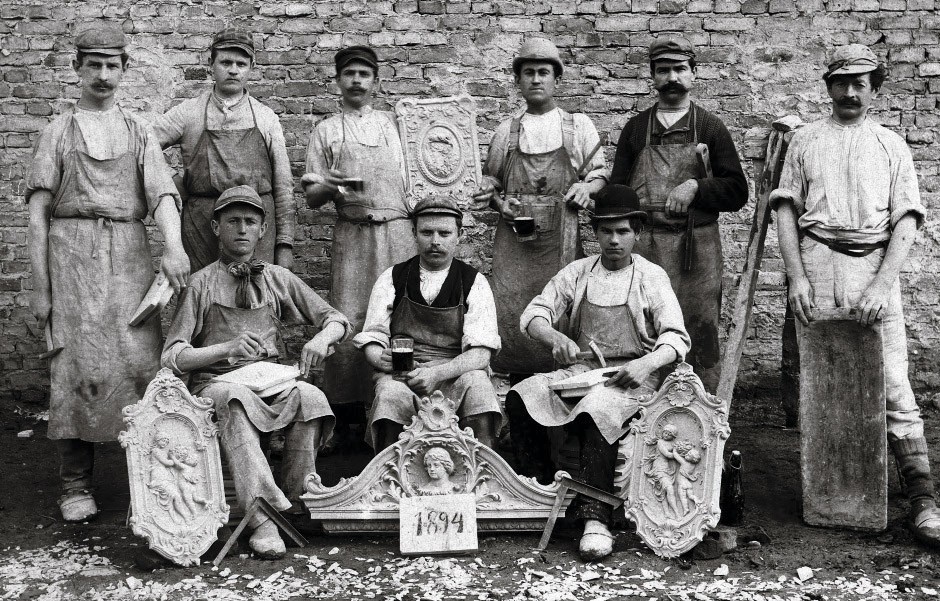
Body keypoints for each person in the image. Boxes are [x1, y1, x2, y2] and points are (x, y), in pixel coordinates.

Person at [771, 44, 940, 547]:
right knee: (823, 381)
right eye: (840, 83)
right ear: (828, 88)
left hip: (872, 267)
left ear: (874, 89)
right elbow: (786, 210)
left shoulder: (891, 144)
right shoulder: (805, 140)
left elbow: (906, 220)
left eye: (860, 83)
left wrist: (882, 285)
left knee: (893, 383)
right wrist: (798, 278)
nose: (849, 92)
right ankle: (834, 491)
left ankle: (923, 498)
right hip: (818, 262)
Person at [26, 22, 190, 523]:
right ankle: (75, 483)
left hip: (128, 259)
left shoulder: (138, 131)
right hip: (71, 259)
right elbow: (37, 216)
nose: (102, 74)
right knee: (75, 367)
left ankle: (150, 478)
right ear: (77, 68)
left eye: (111, 65)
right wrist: (41, 290)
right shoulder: (57, 132)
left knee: (140, 366)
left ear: (124, 69)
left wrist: (174, 247)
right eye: (93, 64)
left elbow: (162, 196)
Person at [162, 185, 351, 558]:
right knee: (233, 400)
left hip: (268, 382)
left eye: (250, 221)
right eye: (233, 221)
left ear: (263, 230)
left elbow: (336, 320)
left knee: (310, 396)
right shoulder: (201, 283)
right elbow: (172, 356)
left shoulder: (277, 278)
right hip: (215, 384)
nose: (242, 229)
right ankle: (263, 518)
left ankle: (298, 502)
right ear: (216, 228)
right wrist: (225, 349)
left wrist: (321, 339)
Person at [506, 185, 690, 561]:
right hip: (584, 372)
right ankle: (540, 492)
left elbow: (676, 338)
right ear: (595, 232)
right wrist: (554, 337)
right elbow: (534, 314)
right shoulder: (578, 272)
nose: (614, 240)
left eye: (623, 231)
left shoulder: (651, 276)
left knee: (598, 407)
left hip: (635, 379)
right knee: (522, 395)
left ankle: (596, 517)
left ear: (637, 232)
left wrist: (646, 363)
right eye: (606, 231)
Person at [608, 36, 748, 393]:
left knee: (698, 330)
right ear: (652, 76)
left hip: (695, 251)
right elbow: (617, 192)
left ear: (693, 74)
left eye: (680, 69)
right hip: (645, 249)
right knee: (642, 327)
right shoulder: (636, 129)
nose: (672, 77)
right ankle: (638, 409)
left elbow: (737, 191)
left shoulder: (711, 127)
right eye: (663, 70)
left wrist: (697, 187)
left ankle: (702, 412)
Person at [472, 37, 608, 385]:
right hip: (515, 247)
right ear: (518, 80)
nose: (536, 79)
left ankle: (562, 388)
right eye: (528, 72)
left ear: (556, 80)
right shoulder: (506, 130)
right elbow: (490, 184)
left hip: (560, 241)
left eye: (543, 72)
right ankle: (517, 391)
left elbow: (600, 174)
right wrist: (499, 204)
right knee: (512, 312)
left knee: (562, 309)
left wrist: (586, 188)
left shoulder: (577, 125)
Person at [302, 46, 416, 444]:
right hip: (353, 234)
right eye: (349, 74)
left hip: (399, 233)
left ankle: (397, 410)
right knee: (350, 316)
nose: (356, 81)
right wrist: (329, 185)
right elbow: (311, 197)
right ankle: (346, 416)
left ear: (376, 82)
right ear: (338, 81)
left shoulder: (396, 126)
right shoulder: (327, 130)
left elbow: (420, 178)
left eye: (364, 74)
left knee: (400, 313)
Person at [354, 197, 503, 452]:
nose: (435, 241)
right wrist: (382, 359)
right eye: (426, 232)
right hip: (404, 375)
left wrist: (437, 374)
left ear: (459, 235)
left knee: (478, 386)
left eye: (444, 233)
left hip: (455, 373)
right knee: (390, 394)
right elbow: (371, 338)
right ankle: (392, 470)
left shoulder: (474, 282)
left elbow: (481, 355)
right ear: (414, 233)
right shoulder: (392, 278)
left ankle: (481, 467)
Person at [153, 27, 296, 272]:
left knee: (255, 292)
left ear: (251, 67)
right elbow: (144, 144)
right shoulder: (189, 113)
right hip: (202, 226)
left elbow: (284, 186)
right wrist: (171, 179)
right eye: (226, 62)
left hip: (254, 227)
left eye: (241, 64)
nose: (233, 70)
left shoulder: (265, 118)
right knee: (200, 291)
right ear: (211, 64)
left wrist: (285, 244)